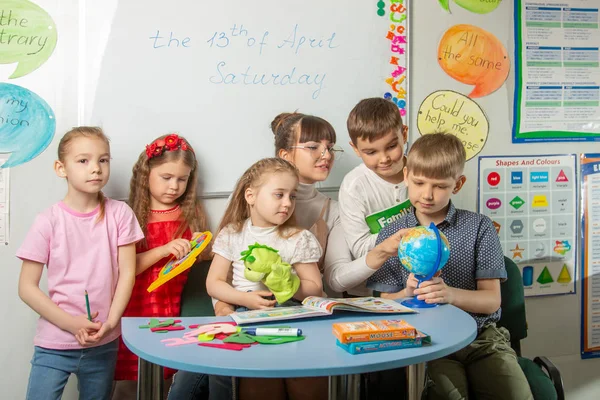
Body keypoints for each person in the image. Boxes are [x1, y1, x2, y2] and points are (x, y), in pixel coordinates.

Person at [367, 133, 533, 400]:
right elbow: (385, 301)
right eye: (419, 182)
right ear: (406, 175)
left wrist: (450, 295)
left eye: (440, 186)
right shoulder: (393, 234)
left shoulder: (479, 227)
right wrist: (406, 294)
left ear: (458, 184)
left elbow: (491, 301)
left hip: (482, 339)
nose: (428, 195)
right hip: (429, 339)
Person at [17, 126, 143, 400]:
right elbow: (27, 288)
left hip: (103, 341)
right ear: (61, 168)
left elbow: (127, 274)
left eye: (103, 160)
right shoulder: (47, 221)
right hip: (55, 344)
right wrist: (72, 324)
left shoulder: (120, 214)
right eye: (83, 161)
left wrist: (110, 323)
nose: (96, 168)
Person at [207, 157, 323, 400]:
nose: (287, 203)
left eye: (292, 196)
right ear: (250, 196)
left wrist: (286, 284)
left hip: (292, 315)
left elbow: (315, 288)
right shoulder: (233, 234)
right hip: (246, 315)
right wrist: (244, 299)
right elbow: (214, 283)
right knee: (259, 384)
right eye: (278, 194)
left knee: (304, 382)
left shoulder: (297, 237)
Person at [112, 134, 210, 399]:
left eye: (182, 179)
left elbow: (201, 258)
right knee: (128, 378)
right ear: (146, 174)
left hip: (173, 305)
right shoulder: (130, 215)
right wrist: (163, 250)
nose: (174, 186)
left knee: (167, 375)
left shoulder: (191, 214)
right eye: (166, 178)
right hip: (136, 306)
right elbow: (126, 268)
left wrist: (201, 249)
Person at [338, 97, 410, 296]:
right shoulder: (354, 186)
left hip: (420, 282)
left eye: (391, 146)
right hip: (371, 293)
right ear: (355, 149)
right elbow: (360, 249)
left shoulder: (422, 172)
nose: (384, 158)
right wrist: (404, 234)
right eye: (371, 152)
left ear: (404, 133)